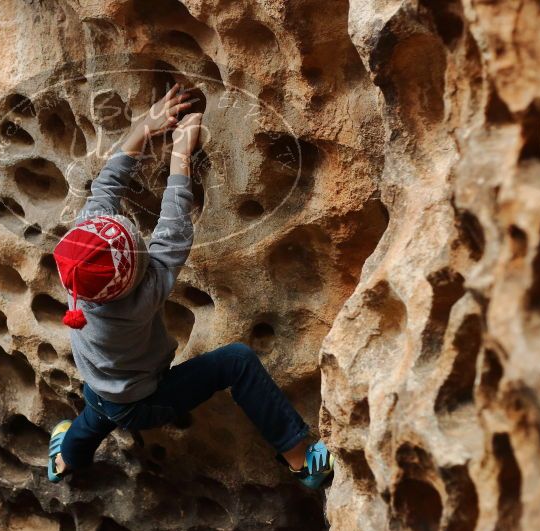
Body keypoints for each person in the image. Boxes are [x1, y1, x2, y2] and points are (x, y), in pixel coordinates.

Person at [47, 85, 334, 489]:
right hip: (146, 401)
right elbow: (172, 232)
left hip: (99, 387)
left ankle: (65, 460)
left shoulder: (77, 262)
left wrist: (143, 129)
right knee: (238, 361)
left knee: (94, 417)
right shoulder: (140, 300)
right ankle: (301, 458)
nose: (133, 230)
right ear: (135, 280)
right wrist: (181, 155)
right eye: (134, 238)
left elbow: (105, 191)